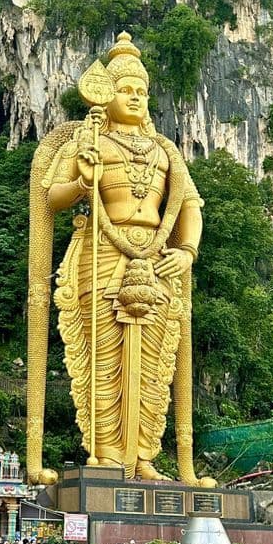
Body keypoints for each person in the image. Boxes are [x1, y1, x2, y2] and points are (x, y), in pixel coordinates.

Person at [27, 32, 213, 487]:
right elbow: (51, 198)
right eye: (125, 89)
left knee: (154, 362)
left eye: (141, 91)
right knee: (103, 357)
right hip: (102, 254)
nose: (134, 97)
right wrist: (82, 182)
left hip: (158, 259)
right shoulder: (89, 140)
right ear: (105, 95)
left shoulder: (166, 151)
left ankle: (144, 457)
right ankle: (109, 454)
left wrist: (187, 251)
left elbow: (190, 204)